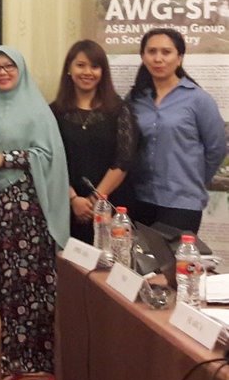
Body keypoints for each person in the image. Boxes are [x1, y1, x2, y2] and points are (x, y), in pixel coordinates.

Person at [0, 46, 69, 375]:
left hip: (25, 206)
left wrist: (8, 158)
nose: (2, 72)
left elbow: (48, 155)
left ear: (21, 70)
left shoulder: (36, 109)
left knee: (26, 280)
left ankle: (31, 356)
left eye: (9, 67)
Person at [128, 28, 226, 233]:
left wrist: (193, 179)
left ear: (179, 57)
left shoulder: (198, 99)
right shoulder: (136, 99)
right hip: (140, 198)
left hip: (181, 203)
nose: (158, 58)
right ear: (143, 57)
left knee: (174, 264)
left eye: (166, 52)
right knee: (140, 263)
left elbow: (216, 148)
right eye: (152, 51)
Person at [51, 40, 138, 243]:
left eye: (94, 66)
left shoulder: (119, 110)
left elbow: (123, 160)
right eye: (81, 65)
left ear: (103, 72)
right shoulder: (54, 112)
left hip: (113, 205)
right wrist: (73, 199)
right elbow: (51, 161)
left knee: (111, 268)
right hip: (68, 206)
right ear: (69, 70)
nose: (87, 72)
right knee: (74, 270)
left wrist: (96, 200)